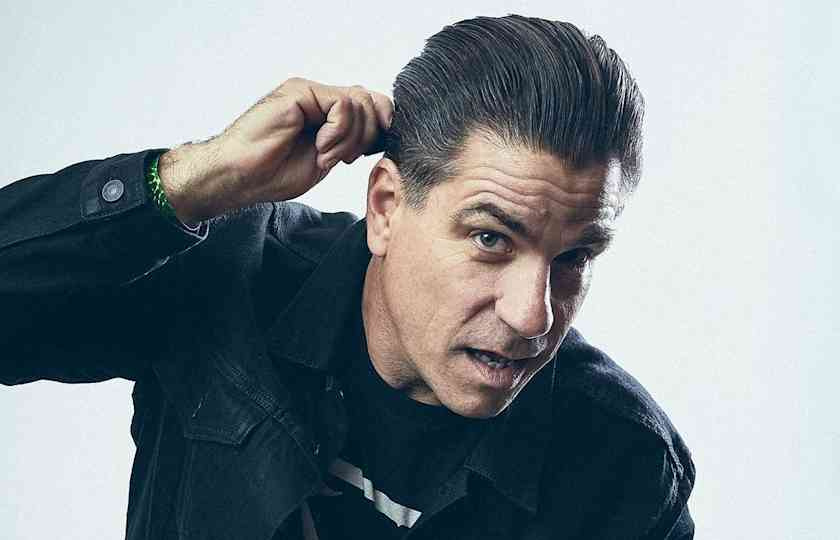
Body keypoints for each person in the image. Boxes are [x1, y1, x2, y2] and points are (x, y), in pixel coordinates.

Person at [0, 14, 695, 540]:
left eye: (574, 258)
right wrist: (195, 180)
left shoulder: (623, 466)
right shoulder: (228, 272)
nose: (532, 315)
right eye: (490, 239)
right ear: (386, 207)